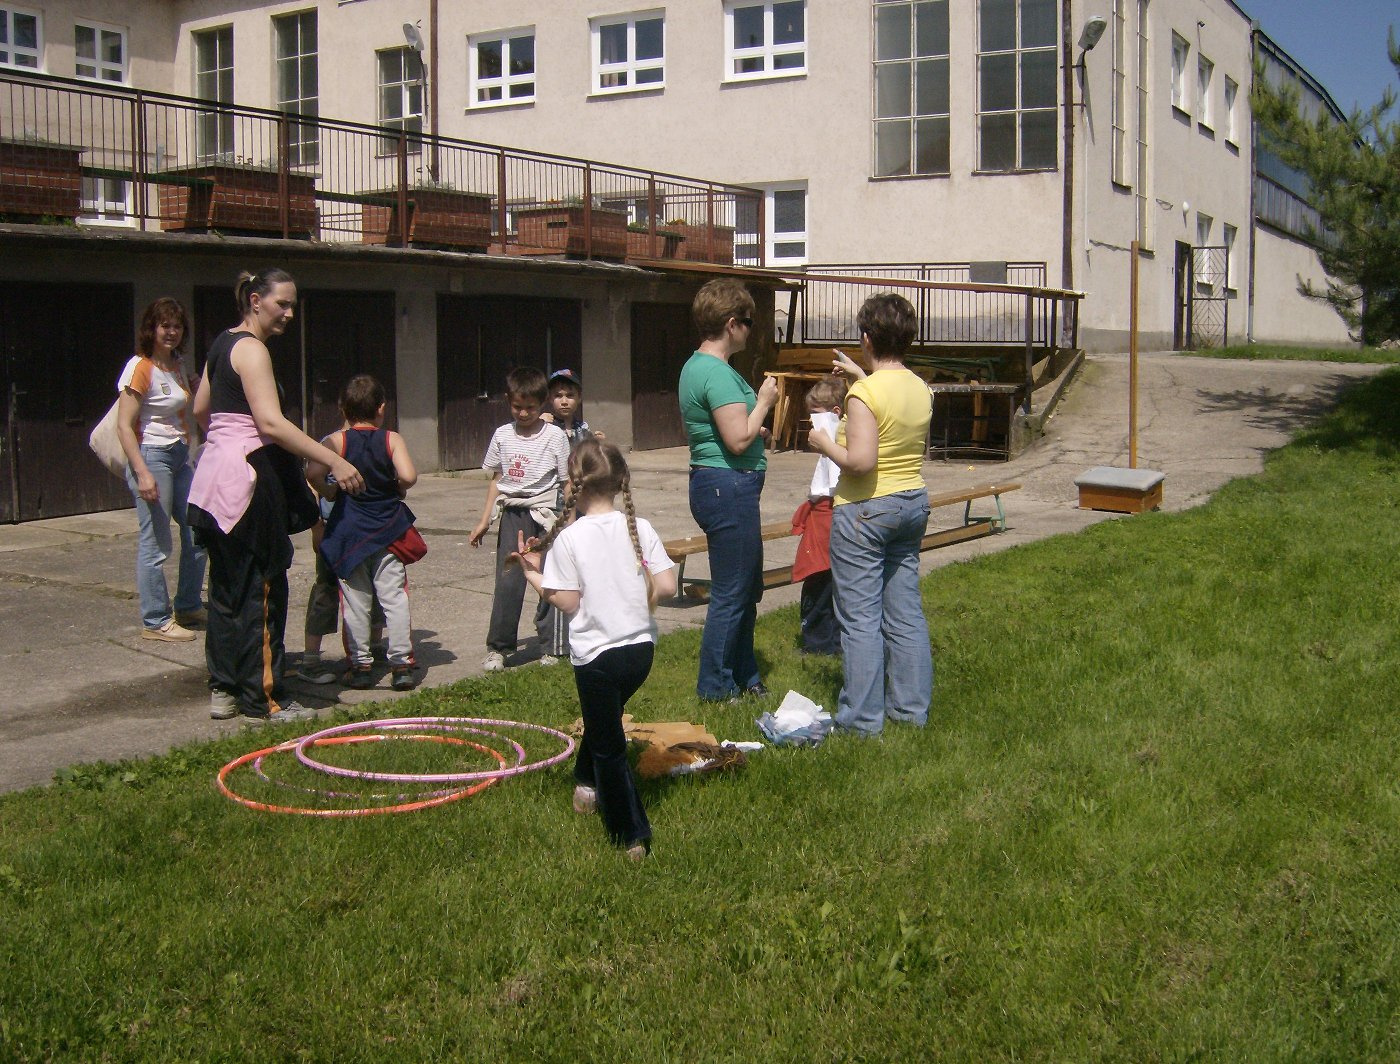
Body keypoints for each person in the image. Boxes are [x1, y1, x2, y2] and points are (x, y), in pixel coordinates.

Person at [188, 267, 365, 725]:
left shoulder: (221, 344)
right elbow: (269, 422)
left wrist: (225, 444)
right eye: (281, 303)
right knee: (263, 586)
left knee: (227, 589)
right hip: (249, 479)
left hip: (214, 479)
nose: (288, 312)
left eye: (292, 304)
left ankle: (224, 688)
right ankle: (264, 698)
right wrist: (334, 460)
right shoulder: (252, 350)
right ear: (255, 300)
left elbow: (202, 410)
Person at [512, 438, 677, 859]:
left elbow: (566, 601)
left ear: (573, 483)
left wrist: (535, 575)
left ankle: (631, 836)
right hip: (641, 653)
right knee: (602, 721)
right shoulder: (641, 527)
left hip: (598, 660)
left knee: (609, 748)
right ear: (621, 481)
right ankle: (585, 788)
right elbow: (668, 586)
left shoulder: (569, 539)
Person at [807, 293, 933, 735]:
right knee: (905, 613)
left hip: (864, 511)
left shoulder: (864, 394)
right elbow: (891, 407)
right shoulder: (919, 387)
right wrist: (863, 375)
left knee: (860, 619)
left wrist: (825, 444)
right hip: (911, 502)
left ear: (865, 338)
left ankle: (861, 720)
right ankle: (910, 711)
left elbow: (860, 461)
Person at [678, 278, 778, 702]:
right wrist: (766, 401)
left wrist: (758, 429)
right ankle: (716, 688)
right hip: (727, 488)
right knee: (732, 593)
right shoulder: (717, 372)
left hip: (721, 485)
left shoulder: (695, 366)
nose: (751, 331)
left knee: (746, 588)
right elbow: (737, 440)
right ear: (732, 324)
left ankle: (743, 673)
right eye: (749, 323)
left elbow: (732, 434)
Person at [308, 374, 420, 692]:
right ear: (381, 408)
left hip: (350, 533)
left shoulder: (336, 441)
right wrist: (395, 487)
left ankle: (360, 666)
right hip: (388, 532)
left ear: (343, 408)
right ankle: (401, 665)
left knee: (356, 601)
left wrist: (328, 492)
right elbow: (409, 476)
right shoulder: (392, 439)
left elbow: (313, 472)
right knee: (394, 598)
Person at [114, 297, 207, 642]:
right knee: (156, 543)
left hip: (180, 454)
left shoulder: (177, 364)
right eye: (164, 325)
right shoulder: (141, 367)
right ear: (151, 329)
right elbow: (125, 426)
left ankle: (187, 605)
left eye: (177, 326)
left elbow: (188, 401)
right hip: (151, 455)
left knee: (198, 531)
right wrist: (143, 473)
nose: (171, 332)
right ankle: (155, 620)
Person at [469, 366, 571, 671]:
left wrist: (571, 519)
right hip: (513, 515)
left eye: (530, 407)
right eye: (517, 406)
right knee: (509, 580)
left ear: (543, 403)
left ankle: (552, 645)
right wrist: (484, 520)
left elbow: (566, 483)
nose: (524, 413)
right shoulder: (502, 435)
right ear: (507, 401)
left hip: (546, 516)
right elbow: (496, 480)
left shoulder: (555, 436)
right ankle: (498, 648)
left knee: (550, 578)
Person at [790, 375, 846, 656]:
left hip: (828, 517)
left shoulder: (836, 440)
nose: (811, 422)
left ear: (835, 413)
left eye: (815, 415)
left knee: (821, 582)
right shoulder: (830, 444)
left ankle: (819, 641)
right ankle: (827, 640)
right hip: (822, 514)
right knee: (825, 582)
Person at [540, 368, 600, 446]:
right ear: (550, 398)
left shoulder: (583, 428)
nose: (564, 402)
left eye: (570, 395)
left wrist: (598, 443)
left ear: (579, 397)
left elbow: (588, 454)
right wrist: (538, 425)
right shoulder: (545, 425)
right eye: (558, 396)